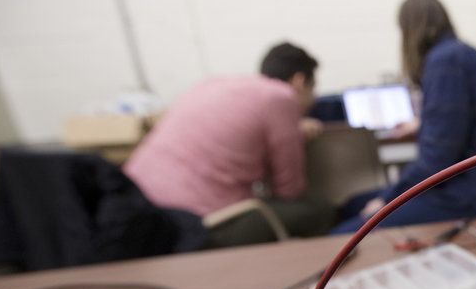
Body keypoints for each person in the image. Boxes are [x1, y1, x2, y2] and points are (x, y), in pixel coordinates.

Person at [333, 0, 476, 232]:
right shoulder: (461, 54)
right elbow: (466, 123)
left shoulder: (445, 63)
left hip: (467, 196)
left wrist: (386, 200)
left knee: (342, 234)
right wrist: (423, 124)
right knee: (353, 205)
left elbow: (436, 161)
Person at [125, 42, 333, 245]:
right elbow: (289, 191)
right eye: (313, 89)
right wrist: (294, 137)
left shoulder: (212, 85)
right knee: (320, 213)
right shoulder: (281, 97)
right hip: (198, 222)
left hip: (139, 208)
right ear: (299, 81)